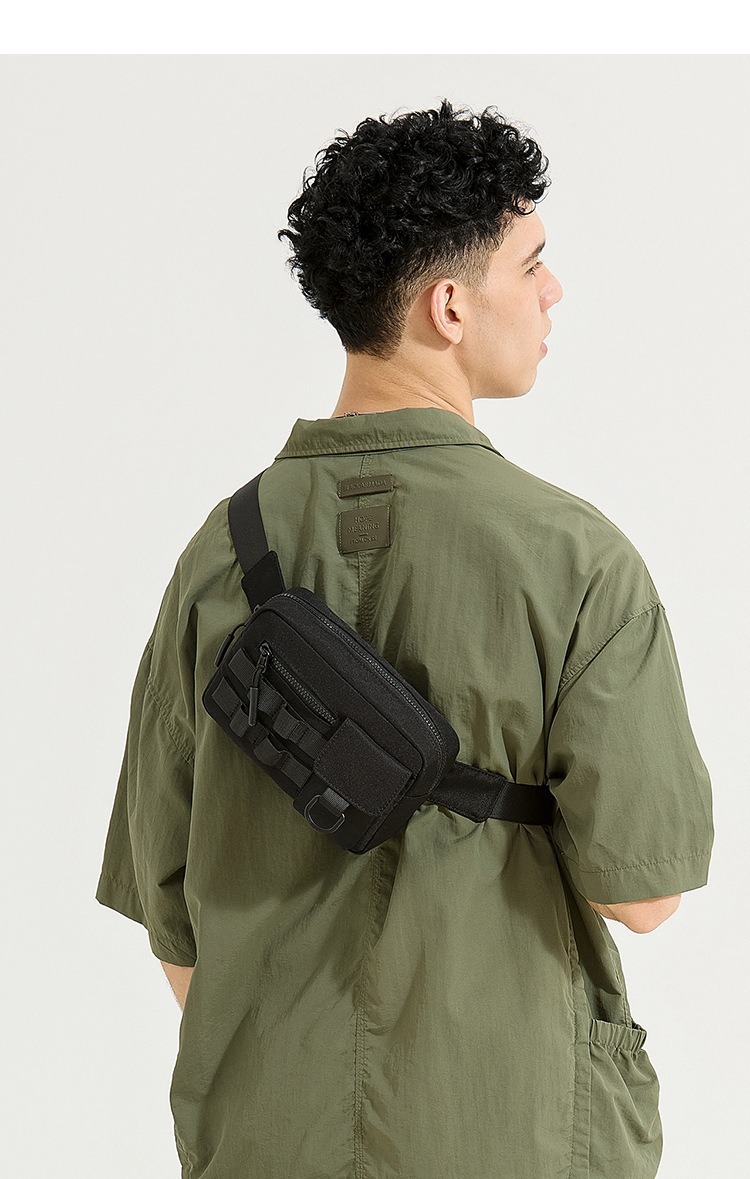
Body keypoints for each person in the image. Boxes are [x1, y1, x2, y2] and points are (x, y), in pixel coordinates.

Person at [95, 99, 714, 1178]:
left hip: (264, 1133)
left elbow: (168, 904)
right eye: (531, 264)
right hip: (511, 1125)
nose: (553, 291)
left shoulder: (219, 554)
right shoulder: (576, 559)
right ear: (449, 307)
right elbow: (643, 891)